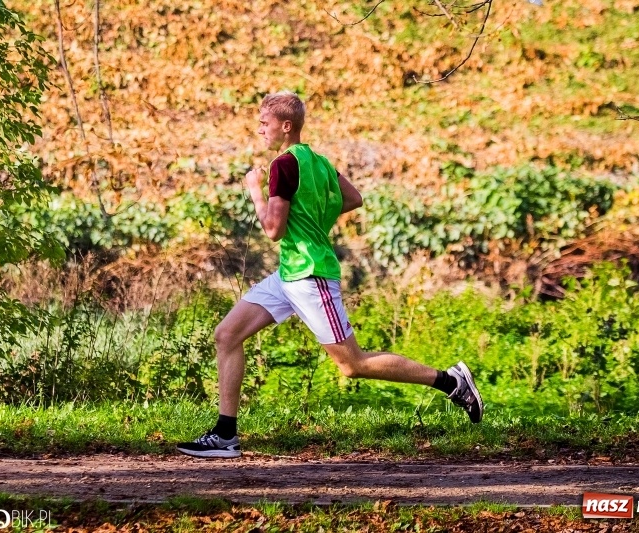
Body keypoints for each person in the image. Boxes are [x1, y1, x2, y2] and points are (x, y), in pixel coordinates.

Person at [176, 91, 483, 458]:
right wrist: (314, 220)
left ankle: (450, 381)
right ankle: (225, 435)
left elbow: (272, 229)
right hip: (289, 274)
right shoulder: (320, 163)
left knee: (352, 364)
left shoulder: (282, 166)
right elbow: (353, 198)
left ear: (285, 126)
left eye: (264, 122)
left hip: (310, 276)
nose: (259, 129)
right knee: (227, 335)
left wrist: (255, 192)